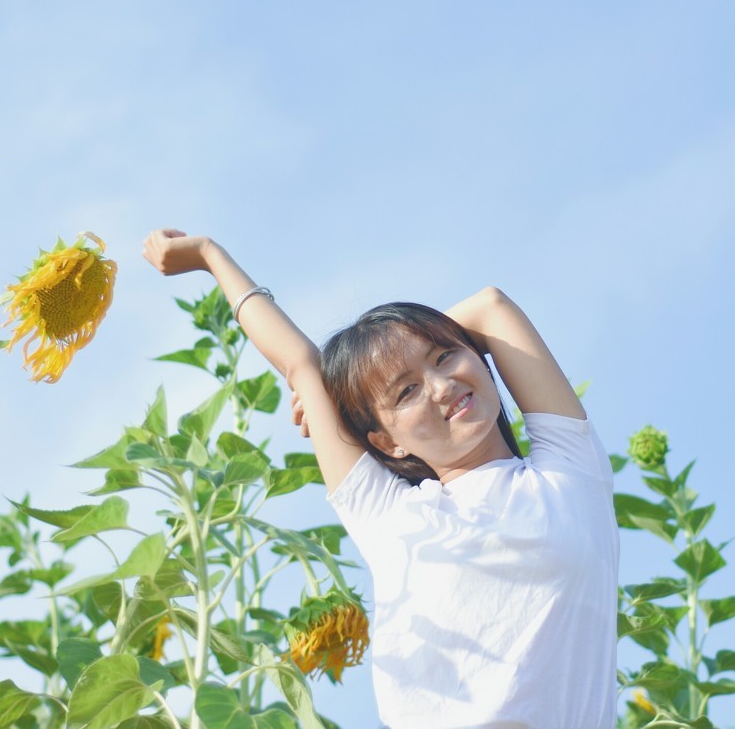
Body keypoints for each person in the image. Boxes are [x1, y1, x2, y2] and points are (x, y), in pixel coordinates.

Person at [142, 229, 619, 729]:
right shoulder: (387, 515)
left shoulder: (570, 473)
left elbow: (490, 307)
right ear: (387, 442)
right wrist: (209, 256)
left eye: (444, 357)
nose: (441, 387)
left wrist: (365, 376)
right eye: (406, 392)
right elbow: (300, 363)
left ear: (480, 355)